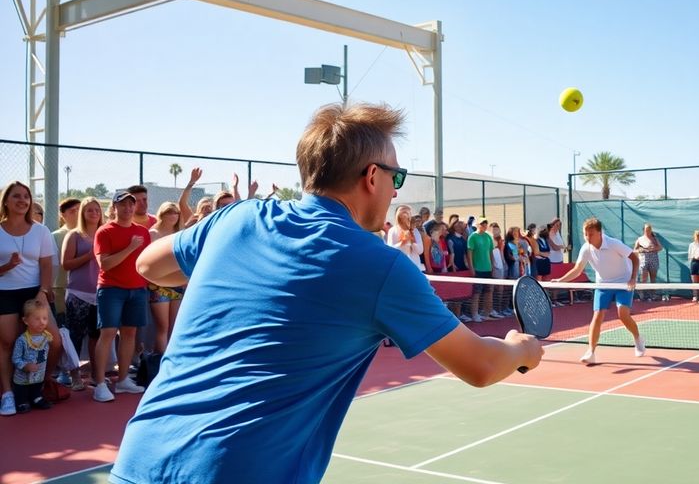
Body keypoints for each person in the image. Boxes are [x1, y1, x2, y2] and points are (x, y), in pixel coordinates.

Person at [111, 103, 542, 484]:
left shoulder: (236, 219)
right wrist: (520, 349)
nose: (396, 191)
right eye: (398, 177)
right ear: (372, 176)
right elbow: (481, 366)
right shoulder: (380, 264)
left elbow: (150, 264)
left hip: (138, 461)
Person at [0, 181, 59, 417]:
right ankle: (8, 394)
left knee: (55, 341)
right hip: (4, 292)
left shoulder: (41, 231)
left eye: (26, 196)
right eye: (16, 196)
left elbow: (46, 263)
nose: (22, 200)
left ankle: (38, 385)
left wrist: (44, 291)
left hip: (35, 293)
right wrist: (7, 266)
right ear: (6, 201)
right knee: (6, 343)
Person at [553, 217, 645, 365]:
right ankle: (591, 352)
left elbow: (634, 258)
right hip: (603, 284)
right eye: (585, 234)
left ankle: (638, 338)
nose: (587, 237)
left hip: (623, 282)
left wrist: (633, 278)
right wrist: (560, 280)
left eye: (591, 234)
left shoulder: (614, 244)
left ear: (600, 233)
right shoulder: (586, 249)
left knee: (623, 314)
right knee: (597, 315)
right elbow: (577, 270)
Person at [91, 191, 151, 402]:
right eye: (122, 204)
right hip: (111, 290)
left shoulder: (143, 232)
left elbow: (146, 262)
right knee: (107, 333)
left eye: (130, 204)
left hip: (138, 289)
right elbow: (105, 264)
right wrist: (130, 248)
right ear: (114, 208)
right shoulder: (104, 232)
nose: (127, 208)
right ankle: (99, 384)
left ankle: (123, 380)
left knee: (129, 334)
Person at [61, 197, 103, 391]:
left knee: (97, 336)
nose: (94, 213)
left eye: (97, 210)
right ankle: (74, 375)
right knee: (75, 336)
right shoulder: (74, 235)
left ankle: (97, 374)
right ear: (83, 214)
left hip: (101, 293)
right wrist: (89, 256)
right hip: (78, 294)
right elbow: (66, 264)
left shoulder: (104, 233)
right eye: (89, 210)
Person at [148, 202, 183, 353]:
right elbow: (147, 261)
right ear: (161, 214)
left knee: (175, 327)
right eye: (169, 212)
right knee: (163, 326)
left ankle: (173, 360)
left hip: (178, 284)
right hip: (158, 285)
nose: (173, 216)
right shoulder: (153, 233)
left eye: (176, 213)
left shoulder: (180, 234)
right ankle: (159, 362)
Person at [11, 298, 53, 413]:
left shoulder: (47, 337)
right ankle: (21, 402)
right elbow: (15, 358)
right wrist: (25, 366)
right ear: (25, 320)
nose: (42, 322)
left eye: (45, 318)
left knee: (37, 388)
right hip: (23, 377)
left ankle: (36, 398)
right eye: (37, 319)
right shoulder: (22, 340)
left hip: (39, 374)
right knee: (21, 391)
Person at [52, 198, 81, 318]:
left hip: (83, 287)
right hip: (60, 288)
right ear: (63, 215)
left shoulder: (91, 233)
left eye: (80, 210)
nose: (78, 214)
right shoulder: (56, 236)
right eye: (73, 211)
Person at [466, 217, 497, 322]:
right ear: (478, 225)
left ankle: (486, 313)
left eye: (485, 224)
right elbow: (469, 253)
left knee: (488, 291)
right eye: (482, 224)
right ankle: (475, 314)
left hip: (487, 269)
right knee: (476, 292)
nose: (484, 225)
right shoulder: (472, 237)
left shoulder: (488, 237)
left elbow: (491, 253)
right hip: (477, 269)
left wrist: (492, 266)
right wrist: (472, 268)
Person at [387, 205, 423, 270]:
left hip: (415, 267)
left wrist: (413, 242)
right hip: (399, 267)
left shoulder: (415, 231)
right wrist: (402, 243)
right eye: (403, 212)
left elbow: (420, 251)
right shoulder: (392, 230)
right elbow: (390, 251)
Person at [634, 223, 664, 302]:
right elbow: (634, 250)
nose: (648, 231)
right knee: (644, 278)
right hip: (643, 260)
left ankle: (653, 295)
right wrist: (640, 250)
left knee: (653, 278)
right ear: (644, 230)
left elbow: (660, 247)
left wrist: (653, 248)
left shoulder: (655, 238)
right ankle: (642, 296)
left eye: (649, 229)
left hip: (653, 259)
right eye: (647, 229)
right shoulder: (639, 239)